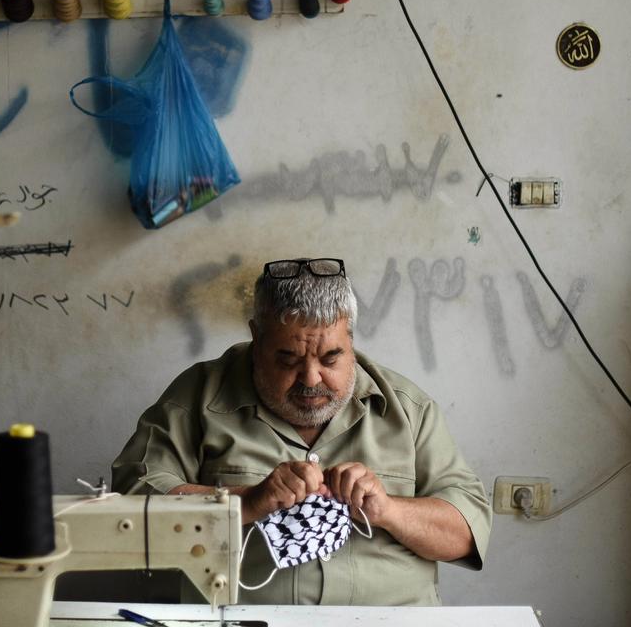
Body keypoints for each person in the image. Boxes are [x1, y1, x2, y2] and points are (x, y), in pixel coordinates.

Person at [111, 257, 491, 606]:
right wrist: (243, 502)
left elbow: (464, 533)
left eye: (331, 358)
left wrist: (387, 510)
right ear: (256, 339)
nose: (311, 379)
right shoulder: (198, 397)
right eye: (288, 359)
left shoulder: (409, 410)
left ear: (352, 342)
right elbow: (128, 505)